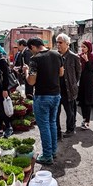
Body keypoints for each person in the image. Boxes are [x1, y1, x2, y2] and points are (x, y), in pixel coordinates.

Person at [23, 37, 64, 165]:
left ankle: (47, 155)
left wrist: (26, 72)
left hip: (42, 96)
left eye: (31, 50)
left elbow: (31, 81)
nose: (31, 52)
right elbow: (61, 73)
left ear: (33, 47)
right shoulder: (57, 54)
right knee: (52, 123)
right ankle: (52, 151)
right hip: (56, 95)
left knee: (44, 126)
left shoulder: (35, 59)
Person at [56, 33, 81, 140]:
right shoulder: (55, 56)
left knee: (70, 111)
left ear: (67, 44)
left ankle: (70, 129)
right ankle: (57, 131)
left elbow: (78, 73)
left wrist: (72, 83)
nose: (58, 45)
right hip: (56, 89)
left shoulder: (74, 57)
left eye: (60, 42)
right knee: (56, 112)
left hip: (69, 89)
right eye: (57, 42)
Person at [77, 40, 93, 130]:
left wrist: (86, 60)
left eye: (84, 47)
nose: (82, 49)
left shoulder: (92, 57)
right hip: (81, 81)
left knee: (87, 102)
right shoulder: (79, 56)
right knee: (82, 101)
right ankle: (84, 119)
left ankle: (87, 121)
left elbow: (91, 69)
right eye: (82, 47)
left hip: (89, 81)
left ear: (89, 48)